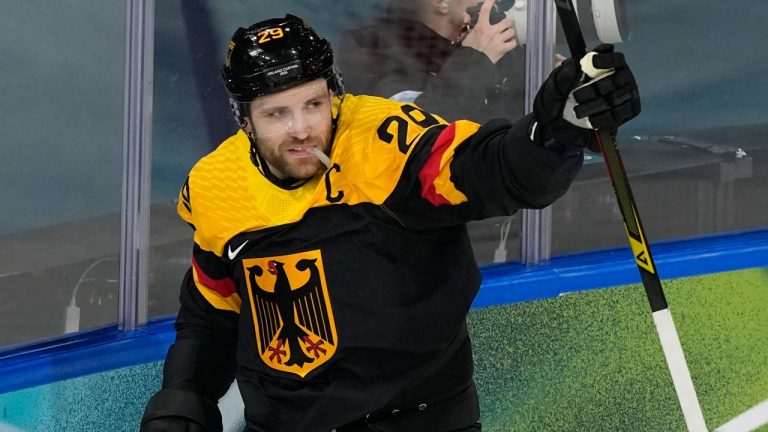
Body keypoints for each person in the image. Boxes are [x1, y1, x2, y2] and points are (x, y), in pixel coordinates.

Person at [140, 11, 640, 432]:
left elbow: (493, 171)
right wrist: (185, 394)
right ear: (244, 120)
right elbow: (212, 312)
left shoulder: (383, 140)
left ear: (334, 94)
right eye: (277, 115)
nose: (302, 129)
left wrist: (556, 131)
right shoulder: (216, 185)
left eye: (314, 104)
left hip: (420, 418)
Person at [336, 0, 525, 123]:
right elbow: (415, 132)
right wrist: (474, 60)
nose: (497, 1)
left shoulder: (477, 46)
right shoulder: (372, 56)